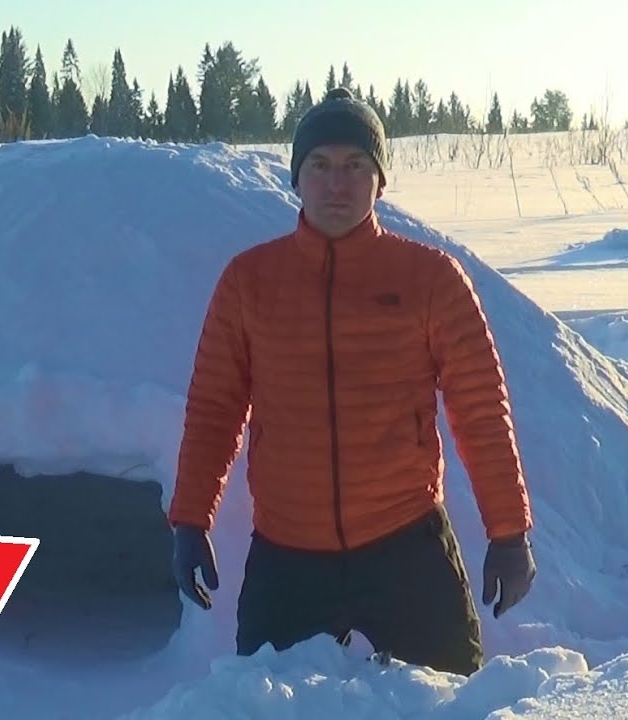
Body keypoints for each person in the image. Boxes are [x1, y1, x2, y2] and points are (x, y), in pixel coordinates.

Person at [166, 87, 537, 676]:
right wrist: (190, 520)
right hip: (287, 552)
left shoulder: (431, 279)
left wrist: (509, 531)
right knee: (262, 707)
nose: (336, 183)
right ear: (296, 177)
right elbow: (215, 408)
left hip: (406, 544)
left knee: (452, 704)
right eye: (320, 165)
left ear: (379, 180)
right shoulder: (249, 282)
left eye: (355, 165)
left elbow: (481, 408)